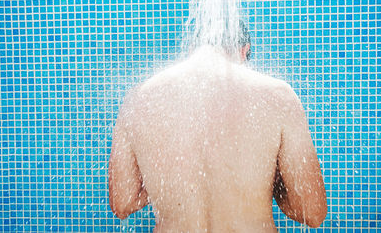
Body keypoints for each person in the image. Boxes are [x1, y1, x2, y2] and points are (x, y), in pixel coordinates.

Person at [108, 25, 327, 232]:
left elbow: (122, 203)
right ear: (244, 51)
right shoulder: (278, 97)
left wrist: (161, 180)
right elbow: (312, 212)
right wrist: (271, 182)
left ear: (192, 48)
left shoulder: (138, 99)